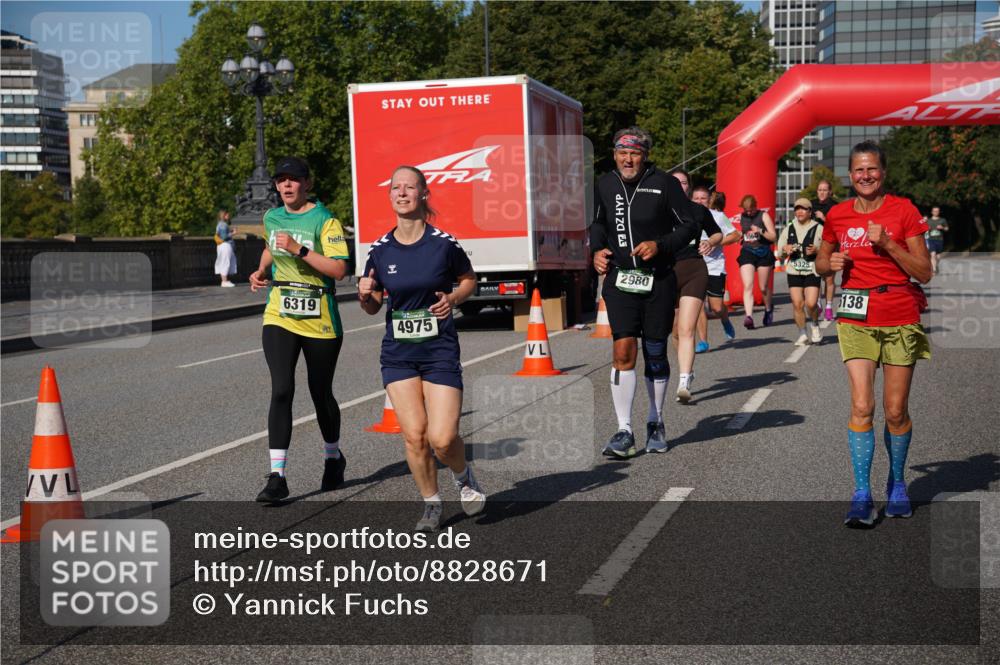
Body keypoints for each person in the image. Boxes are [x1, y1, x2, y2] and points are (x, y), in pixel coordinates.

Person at [358, 165, 483, 532]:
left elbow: (468, 280)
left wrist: (454, 298)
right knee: (414, 435)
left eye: (409, 187)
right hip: (398, 353)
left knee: (442, 439)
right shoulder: (379, 251)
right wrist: (366, 295)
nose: (402, 193)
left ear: (423, 194)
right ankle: (431, 504)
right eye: (395, 187)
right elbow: (373, 304)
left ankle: (463, 476)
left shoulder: (443, 243)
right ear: (390, 195)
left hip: (439, 349)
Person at [815, 141, 932, 527]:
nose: (866, 176)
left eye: (873, 169)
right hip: (856, 316)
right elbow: (820, 260)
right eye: (859, 170)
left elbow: (924, 271)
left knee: (896, 411)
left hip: (899, 313)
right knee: (862, 405)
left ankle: (897, 483)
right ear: (851, 175)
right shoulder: (838, 214)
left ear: (884, 173)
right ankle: (862, 493)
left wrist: (887, 243)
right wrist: (827, 264)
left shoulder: (904, 211)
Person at [590, 127, 699, 457]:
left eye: (634, 153)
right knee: (623, 351)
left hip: (658, 279)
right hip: (620, 280)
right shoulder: (605, 184)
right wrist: (596, 249)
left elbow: (689, 225)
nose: (628, 158)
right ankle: (624, 430)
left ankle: (655, 420)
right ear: (614, 154)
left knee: (654, 350)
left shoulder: (664, 183)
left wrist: (660, 244)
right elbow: (597, 223)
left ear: (645, 155)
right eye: (622, 152)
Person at [249, 156, 351, 503]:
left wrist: (299, 249)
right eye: (281, 180)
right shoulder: (272, 216)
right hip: (280, 312)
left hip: (320, 315)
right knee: (281, 389)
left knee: (320, 392)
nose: (286, 185)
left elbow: (339, 270)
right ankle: (277, 477)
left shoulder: (326, 220)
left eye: (293, 179)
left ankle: (333, 458)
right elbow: (269, 246)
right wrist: (262, 270)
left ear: (307, 183)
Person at [668, 173, 723, 403]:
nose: (678, 186)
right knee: (674, 331)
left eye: (682, 182)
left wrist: (710, 242)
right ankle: (687, 368)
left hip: (694, 270)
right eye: (674, 182)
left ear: (688, 187)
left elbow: (718, 233)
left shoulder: (699, 210)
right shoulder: (657, 209)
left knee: (687, 328)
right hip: (666, 273)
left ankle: (683, 381)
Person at [695, 191, 740, 351]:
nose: (699, 201)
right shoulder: (685, 215)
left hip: (714, 267)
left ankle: (724, 318)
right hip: (695, 267)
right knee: (698, 305)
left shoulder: (718, 216)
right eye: (696, 198)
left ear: (709, 201)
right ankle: (703, 341)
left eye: (703, 198)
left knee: (716, 307)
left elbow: (736, 235)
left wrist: (715, 243)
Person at [777, 198, 823, 345]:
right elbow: (779, 252)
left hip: (812, 270)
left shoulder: (819, 228)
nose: (799, 212)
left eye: (803, 209)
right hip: (794, 271)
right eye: (797, 209)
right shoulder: (789, 228)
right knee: (797, 303)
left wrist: (817, 250)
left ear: (810, 212)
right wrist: (785, 250)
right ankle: (802, 333)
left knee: (810, 303)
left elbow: (829, 248)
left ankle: (815, 324)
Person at [736, 194, 777, 329]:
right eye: (746, 210)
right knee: (748, 285)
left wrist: (760, 230)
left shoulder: (763, 215)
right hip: (747, 252)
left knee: (763, 287)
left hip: (763, 252)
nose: (748, 213)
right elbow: (742, 234)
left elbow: (773, 237)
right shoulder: (742, 217)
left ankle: (768, 308)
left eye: (751, 210)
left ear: (755, 206)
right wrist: (741, 236)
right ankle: (749, 317)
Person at [812, 180, 838, 320]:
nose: (822, 192)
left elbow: (838, 226)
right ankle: (818, 302)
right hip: (815, 245)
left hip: (831, 245)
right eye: (819, 190)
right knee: (816, 276)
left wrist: (824, 218)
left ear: (829, 192)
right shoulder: (811, 205)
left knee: (829, 278)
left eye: (824, 190)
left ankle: (828, 306)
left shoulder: (835, 206)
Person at [214, 210, 237, 287]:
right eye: (227, 215)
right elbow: (224, 237)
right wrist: (232, 233)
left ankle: (224, 280)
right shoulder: (223, 225)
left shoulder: (220, 224)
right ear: (224, 215)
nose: (229, 216)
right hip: (225, 245)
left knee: (223, 262)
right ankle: (224, 281)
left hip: (221, 245)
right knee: (225, 262)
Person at [926, 206, 949, 274]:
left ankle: (936, 265)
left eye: (937, 211)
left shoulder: (942, 220)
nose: (936, 212)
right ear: (932, 212)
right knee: (933, 254)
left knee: (938, 256)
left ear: (939, 212)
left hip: (939, 240)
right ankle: (934, 269)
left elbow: (947, 229)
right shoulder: (928, 221)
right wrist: (927, 228)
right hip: (931, 239)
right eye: (934, 211)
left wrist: (942, 227)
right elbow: (923, 230)